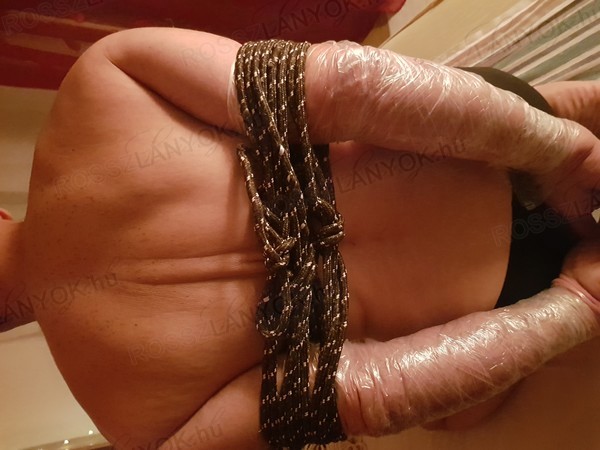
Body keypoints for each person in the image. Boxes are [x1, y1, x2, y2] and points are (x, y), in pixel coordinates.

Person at [0, 28, 598, 449]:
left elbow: (371, 395)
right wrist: (560, 152)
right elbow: (345, 85)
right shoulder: (102, 78)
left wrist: (578, 304)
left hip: (508, 293)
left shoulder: (134, 424)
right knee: (531, 102)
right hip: (495, 141)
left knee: (453, 421)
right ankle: (565, 116)